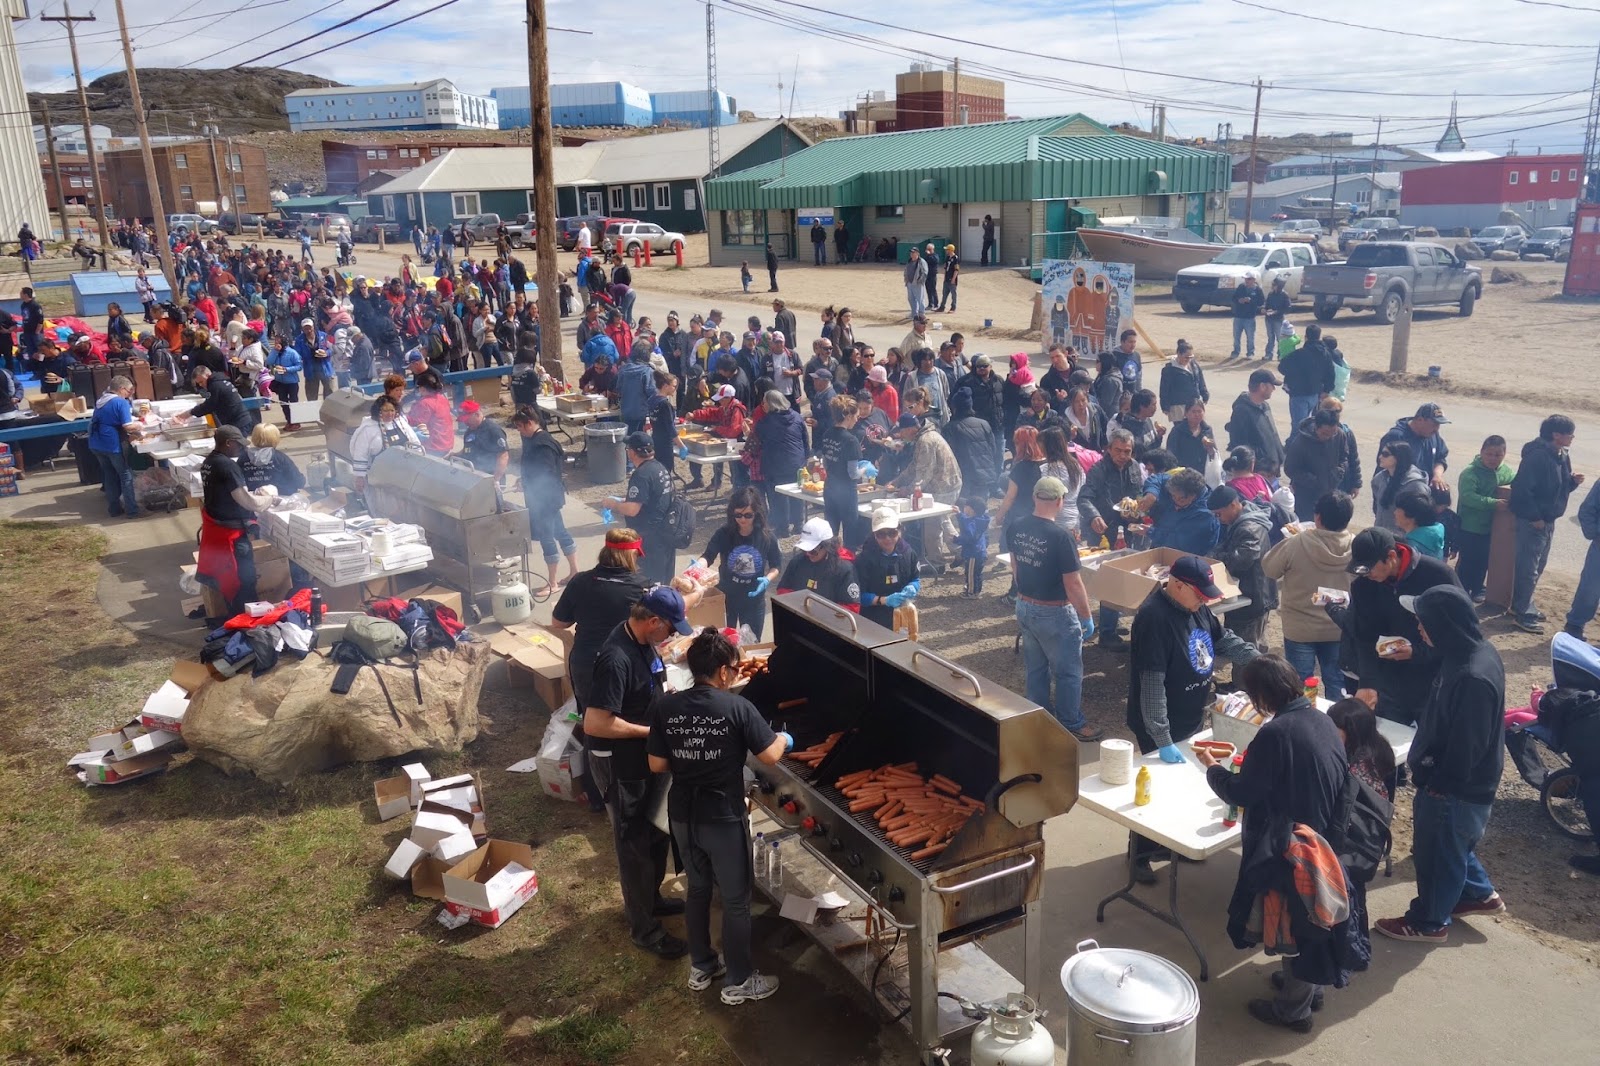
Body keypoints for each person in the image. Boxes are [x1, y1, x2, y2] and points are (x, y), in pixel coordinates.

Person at [1197, 655, 1352, 1032]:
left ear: (1263, 695)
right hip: (1323, 835)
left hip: (1292, 845)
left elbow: (1244, 792)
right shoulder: (1320, 719)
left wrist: (1212, 768)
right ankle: (1308, 989)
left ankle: (1292, 1012)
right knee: (1312, 919)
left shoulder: (1275, 733)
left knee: (1295, 924)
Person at [648, 627, 787, 1005]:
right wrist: (784, 739)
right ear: (724, 672)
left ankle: (703, 966)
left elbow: (657, 763)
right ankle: (740, 981)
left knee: (697, 889)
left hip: (682, 815)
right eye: (734, 668)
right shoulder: (736, 707)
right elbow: (771, 755)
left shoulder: (666, 706)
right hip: (722, 817)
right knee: (736, 900)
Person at [1375, 585, 1508, 943]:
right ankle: (1478, 894)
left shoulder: (1473, 677)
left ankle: (1428, 922)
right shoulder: (1467, 652)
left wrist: (1439, 783)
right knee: (1455, 845)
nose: (1418, 628)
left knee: (1436, 853)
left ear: (1444, 625)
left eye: (1423, 622)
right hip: (1461, 787)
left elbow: (1467, 747)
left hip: (1455, 789)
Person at [1126, 556, 1260, 881]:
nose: (1204, 600)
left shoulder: (1196, 607)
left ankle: (1169, 845)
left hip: (1191, 714)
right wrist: (1162, 737)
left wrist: (1258, 659)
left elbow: (1222, 638)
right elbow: (1151, 683)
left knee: (1184, 786)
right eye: (1199, 593)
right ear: (1177, 584)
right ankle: (1139, 855)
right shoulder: (1152, 618)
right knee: (1153, 788)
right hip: (1159, 721)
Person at [585, 587, 697, 960]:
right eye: (670, 628)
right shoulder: (616, 658)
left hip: (646, 759)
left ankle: (651, 901)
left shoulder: (642, 641)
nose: (672, 635)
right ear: (653, 621)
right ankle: (644, 929)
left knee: (654, 834)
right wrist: (654, 732)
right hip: (622, 765)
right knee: (633, 845)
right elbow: (597, 723)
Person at [1010, 476, 1103, 741]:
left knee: (1036, 666)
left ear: (1034, 498)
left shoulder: (1016, 526)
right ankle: (1071, 721)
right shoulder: (1061, 537)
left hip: (1025, 604)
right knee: (1069, 671)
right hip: (1054, 611)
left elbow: (1015, 565)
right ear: (1060, 501)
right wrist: (1086, 617)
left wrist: (1025, 593)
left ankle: (1039, 715)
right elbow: (1073, 583)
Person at [1346, 527, 1461, 726]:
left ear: (1391, 556)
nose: (1366, 575)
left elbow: (1459, 632)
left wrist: (1417, 652)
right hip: (1389, 684)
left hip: (1434, 683)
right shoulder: (1363, 586)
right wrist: (1367, 682)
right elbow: (1364, 636)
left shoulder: (1438, 575)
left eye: (1369, 569)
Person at [1263, 491, 1355, 700]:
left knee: (1299, 684)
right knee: (1336, 683)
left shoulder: (1296, 543)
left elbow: (1269, 568)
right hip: (1338, 626)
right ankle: (1336, 727)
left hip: (1300, 628)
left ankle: (1306, 727)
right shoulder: (1356, 546)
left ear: (1318, 517)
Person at [1508, 414, 1583, 635]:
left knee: (1537, 567)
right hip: (1535, 522)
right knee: (1528, 569)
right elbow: (1521, 490)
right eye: (1569, 434)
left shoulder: (1561, 454)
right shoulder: (1537, 456)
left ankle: (1521, 605)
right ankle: (1523, 614)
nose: (1572, 438)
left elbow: (1558, 487)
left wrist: (1573, 483)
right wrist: (1535, 518)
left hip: (1548, 520)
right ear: (1556, 435)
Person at [196, 425, 278, 622]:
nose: (241, 449)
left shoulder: (209, 462)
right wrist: (269, 499)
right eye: (238, 445)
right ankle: (245, 621)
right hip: (230, 534)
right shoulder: (227, 466)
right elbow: (246, 502)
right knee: (244, 579)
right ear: (228, 443)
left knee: (232, 578)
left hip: (217, 526)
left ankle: (236, 616)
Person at [1077, 428, 1143, 649]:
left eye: (1128, 451)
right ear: (1108, 448)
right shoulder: (1098, 469)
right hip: (1103, 531)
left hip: (1127, 530)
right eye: (1119, 450)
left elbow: (1138, 496)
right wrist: (1094, 516)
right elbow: (1084, 498)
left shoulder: (1134, 467)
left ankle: (1111, 621)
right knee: (1109, 580)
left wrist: (1136, 509)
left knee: (1124, 576)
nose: (1123, 455)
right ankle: (1107, 633)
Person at [694, 488, 783, 637]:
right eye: (738, 515)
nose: (742, 519)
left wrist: (767, 579)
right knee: (722, 643)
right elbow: (708, 556)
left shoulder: (767, 537)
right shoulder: (724, 533)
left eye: (748, 515)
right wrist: (698, 566)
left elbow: (776, 565)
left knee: (750, 644)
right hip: (726, 597)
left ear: (757, 514)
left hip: (753, 600)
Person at [512, 406, 579, 590]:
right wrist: (523, 480)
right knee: (560, 532)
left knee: (546, 537)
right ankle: (574, 571)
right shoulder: (535, 440)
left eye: (520, 426)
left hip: (545, 499)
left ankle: (553, 582)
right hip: (545, 497)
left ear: (531, 423)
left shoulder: (543, 444)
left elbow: (546, 473)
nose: (519, 430)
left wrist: (527, 483)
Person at [1207, 485, 1278, 649]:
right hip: (1258, 592)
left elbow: (1243, 559)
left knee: (1243, 650)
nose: (1218, 519)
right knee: (1255, 644)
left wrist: (1214, 558)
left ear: (1233, 504)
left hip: (1252, 595)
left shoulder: (1248, 527)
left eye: (1219, 514)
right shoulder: (1241, 519)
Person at [605, 433, 677, 583]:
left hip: (649, 540)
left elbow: (632, 509)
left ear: (632, 452)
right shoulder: (660, 468)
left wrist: (614, 505)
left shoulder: (641, 475)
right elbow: (650, 498)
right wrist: (623, 500)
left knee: (648, 584)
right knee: (665, 582)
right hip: (666, 533)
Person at [1456, 435, 1514, 603]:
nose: (1492, 458)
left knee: (1484, 559)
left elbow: (1517, 482)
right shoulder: (1470, 473)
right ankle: (1461, 590)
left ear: (1504, 454)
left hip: (1492, 527)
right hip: (1470, 526)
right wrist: (1493, 503)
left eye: (1497, 455)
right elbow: (1468, 497)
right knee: (1468, 560)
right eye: (1489, 454)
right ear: (1481, 452)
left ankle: (1477, 587)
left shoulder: (1506, 471)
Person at [1284, 408, 1359, 521]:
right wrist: (1313, 480)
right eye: (1324, 434)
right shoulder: (1301, 442)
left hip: (1329, 493)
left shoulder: (1339, 435)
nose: (1328, 437)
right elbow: (1290, 469)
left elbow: (1344, 456)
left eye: (1332, 433)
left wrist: (1339, 472)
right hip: (1306, 496)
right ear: (1316, 427)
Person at [855, 508, 922, 631]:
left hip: (902, 615)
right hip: (873, 620)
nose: (887, 539)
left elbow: (915, 577)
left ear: (899, 531)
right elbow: (858, 595)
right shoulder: (863, 559)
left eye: (892, 533)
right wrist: (884, 600)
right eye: (881, 534)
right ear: (874, 534)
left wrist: (913, 586)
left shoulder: (908, 553)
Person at [752, 391, 808, 537]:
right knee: (796, 493)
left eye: (764, 402)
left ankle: (782, 528)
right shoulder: (797, 417)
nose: (762, 405)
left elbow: (757, 442)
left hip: (774, 464)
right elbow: (805, 440)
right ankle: (798, 524)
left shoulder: (764, 422)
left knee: (777, 497)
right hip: (796, 461)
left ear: (770, 404)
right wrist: (804, 458)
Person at [777, 518, 860, 610]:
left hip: (829, 622)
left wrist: (821, 612)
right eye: (805, 550)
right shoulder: (797, 562)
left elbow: (852, 606)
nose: (808, 554)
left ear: (827, 546)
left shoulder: (844, 569)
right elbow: (783, 589)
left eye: (813, 551)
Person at [88, 375, 141, 519]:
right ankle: (132, 510)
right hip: (113, 444)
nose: (130, 394)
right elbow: (127, 426)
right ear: (122, 389)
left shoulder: (101, 400)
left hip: (96, 443)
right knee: (125, 476)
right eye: (129, 390)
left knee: (109, 475)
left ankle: (114, 508)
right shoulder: (120, 402)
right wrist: (140, 424)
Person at [349, 396, 421, 490]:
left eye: (392, 410)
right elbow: (360, 454)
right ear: (378, 411)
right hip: (378, 476)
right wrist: (360, 477)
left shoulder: (401, 423)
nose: (390, 414)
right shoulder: (369, 429)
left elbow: (414, 442)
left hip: (402, 473)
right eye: (385, 410)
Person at [1379, 403, 1451, 492]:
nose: (1436, 429)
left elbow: (1440, 458)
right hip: (1398, 493)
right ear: (1420, 420)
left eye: (1439, 425)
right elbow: (1384, 467)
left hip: (1423, 492)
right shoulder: (1397, 437)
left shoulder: (1432, 435)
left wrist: (1437, 475)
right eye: (1434, 424)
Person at [1226, 368, 1284, 476]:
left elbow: (1272, 435)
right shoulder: (1241, 411)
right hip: (1259, 473)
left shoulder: (1265, 406)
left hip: (1272, 470)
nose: (1274, 389)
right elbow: (1240, 444)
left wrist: (1279, 457)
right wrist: (1262, 463)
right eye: (1272, 385)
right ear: (1262, 386)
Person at [1149, 468, 1220, 555]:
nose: (1175, 502)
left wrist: (1151, 532)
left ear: (1193, 496)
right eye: (1173, 496)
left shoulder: (1205, 516)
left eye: (1181, 499)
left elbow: (1180, 544)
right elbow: (1159, 478)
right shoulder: (1177, 490)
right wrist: (1151, 493)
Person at [1278, 324, 1335, 426]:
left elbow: (1282, 367)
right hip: (1316, 394)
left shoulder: (1299, 354)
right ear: (1318, 337)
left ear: (1306, 337)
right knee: (1311, 425)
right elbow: (1330, 373)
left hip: (1299, 394)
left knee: (1299, 427)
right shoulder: (1325, 354)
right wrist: (1327, 390)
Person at [1372, 440, 1428, 535]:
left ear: (1398, 457)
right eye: (1381, 453)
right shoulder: (1380, 478)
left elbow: (1421, 516)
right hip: (1381, 535)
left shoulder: (1415, 485)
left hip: (1403, 540)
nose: (1380, 457)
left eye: (1385, 454)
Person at [185, 364, 254, 437]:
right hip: (240, 419)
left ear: (207, 375)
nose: (201, 385)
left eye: (201, 382)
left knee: (237, 446)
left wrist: (189, 413)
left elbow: (208, 406)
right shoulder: (221, 381)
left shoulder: (215, 386)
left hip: (238, 422)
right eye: (199, 383)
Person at [238, 423, 306, 496]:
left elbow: (236, 481)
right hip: (280, 499)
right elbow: (298, 482)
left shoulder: (243, 458)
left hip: (252, 499)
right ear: (275, 438)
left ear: (254, 437)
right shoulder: (280, 458)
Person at [458, 400, 509, 483]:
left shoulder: (493, 430)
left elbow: (503, 456)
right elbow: (468, 448)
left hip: (489, 477)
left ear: (477, 414)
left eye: (467, 420)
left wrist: (496, 479)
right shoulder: (470, 430)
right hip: (474, 476)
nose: (465, 422)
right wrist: (455, 455)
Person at [1159, 340, 1209, 423]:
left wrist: (1204, 393)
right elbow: (1164, 389)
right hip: (1178, 406)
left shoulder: (1194, 365)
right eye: (1186, 357)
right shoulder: (1169, 370)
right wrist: (1165, 406)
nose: (1189, 360)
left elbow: (1200, 380)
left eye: (1191, 357)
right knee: (1181, 430)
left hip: (1194, 404)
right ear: (1178, 354)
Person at [407, 369, 455, 456]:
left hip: (435, 446)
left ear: (423, 389)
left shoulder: (425, 403)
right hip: (447, 442)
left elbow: (414, 422)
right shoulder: (442, 398)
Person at [1166, 399, 1215, 478]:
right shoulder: (1178, 430)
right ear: (1186, 413)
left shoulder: (1207, 430)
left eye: (1199, 411)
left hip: (1203, 473)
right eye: (1193, 411)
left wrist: (1209, 448)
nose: (1197, 414)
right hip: (1183, 474)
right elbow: (1171, 453)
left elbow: (1213, 454)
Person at [1394, 490, 1445, 560]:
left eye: (1398, 509)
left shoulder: (1410, 547)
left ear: (1411, 516)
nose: (1394, 512)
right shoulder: (1434, 537)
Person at [956, 496, 990, 597]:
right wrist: (960, 515)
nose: (963, 509)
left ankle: (972, 592)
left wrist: (956, 539)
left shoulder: (972, 523)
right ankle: (976, 589)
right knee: (977, 573)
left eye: (965, 507)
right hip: (980, 552)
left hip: (973, 554)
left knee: (971, 573)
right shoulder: (980, 520)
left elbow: (969, 537)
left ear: (971, 509)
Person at [1230, 271, 1264, 360]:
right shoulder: (1241, 287)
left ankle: (1250, 353)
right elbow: (1234, 298)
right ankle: (1236, 352)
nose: (1246, 281)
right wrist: (1239, 300)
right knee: (1236, 336)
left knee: (1250, 337)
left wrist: (1251, 300)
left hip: (1250, 317)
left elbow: (1261, 302)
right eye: (1245, 279)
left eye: (1248, 279)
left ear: (1253, 280)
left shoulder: (1258, 290)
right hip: (1238, 316)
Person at [1263, 276, 1292, 358]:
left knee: (1280, 338)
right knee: (1270, 337)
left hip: (1278, 319)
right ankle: (1269, 354)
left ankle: (1280, 354)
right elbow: (1267, 304)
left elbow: (1288, 308)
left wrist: (1276, 312)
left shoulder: (1284, 295)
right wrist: (1264, 309)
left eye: (1274, 284)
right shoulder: (1270, 294)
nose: (1272, 285)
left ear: (1279, 286)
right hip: (1269, 319)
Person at [903, 247, 927, 319]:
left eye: (913, 252)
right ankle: (914, 314)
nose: (912, 254)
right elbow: (906, 270)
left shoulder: (921, 261)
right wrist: (906, 280)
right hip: (909, 283)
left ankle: (921, 314)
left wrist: (920, 281)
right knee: (911, 299)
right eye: (911, 252)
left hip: (918, 283)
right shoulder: (909, 261)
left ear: (918, 253)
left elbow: (924, 272)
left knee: (920, 299)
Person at [937, 243, 960, 311]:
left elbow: (956, 269)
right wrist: (944, 277)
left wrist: (953, 279)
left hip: (952, 279)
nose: (946, 251)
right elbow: (945, 268)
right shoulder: (947, 258)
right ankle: (942, 307)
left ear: (950, 250)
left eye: (947, 250)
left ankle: (953, 307)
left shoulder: (955, 258)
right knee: (944, 293)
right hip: (947, 278)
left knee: (953, 294)